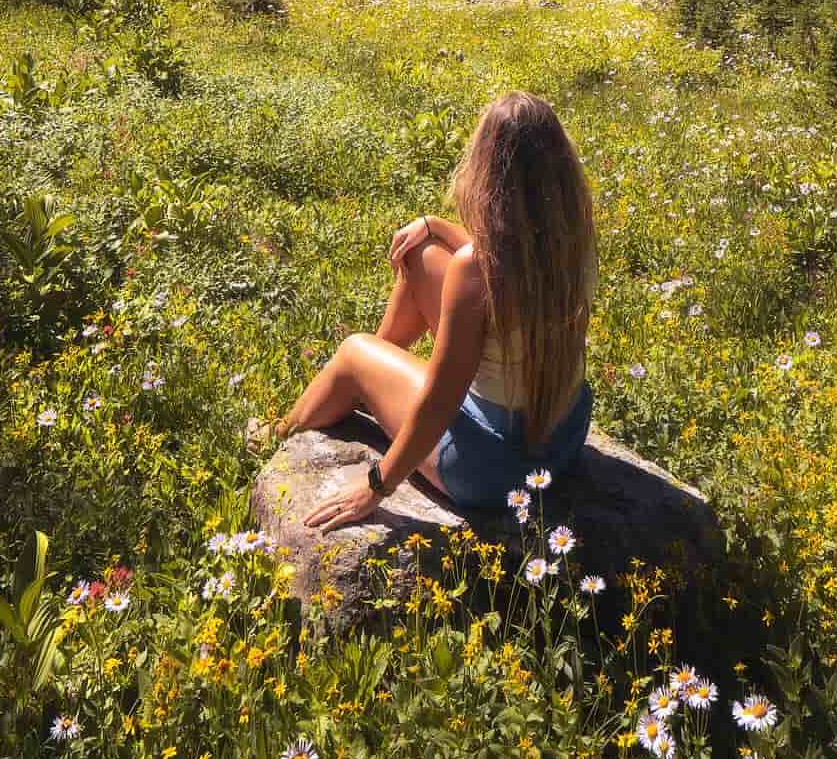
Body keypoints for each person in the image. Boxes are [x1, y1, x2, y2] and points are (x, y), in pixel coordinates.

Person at [253, 91, 597, 530]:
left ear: (489, 169)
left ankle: (283, 432)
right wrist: (433, 226)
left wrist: (377, 485)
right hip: (561, 441)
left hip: (490, 468)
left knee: (355, 351)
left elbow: (440, 401)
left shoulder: (475, 271)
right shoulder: (574, 235)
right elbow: (500, 257)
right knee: (420, 254)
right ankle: (371, 383)